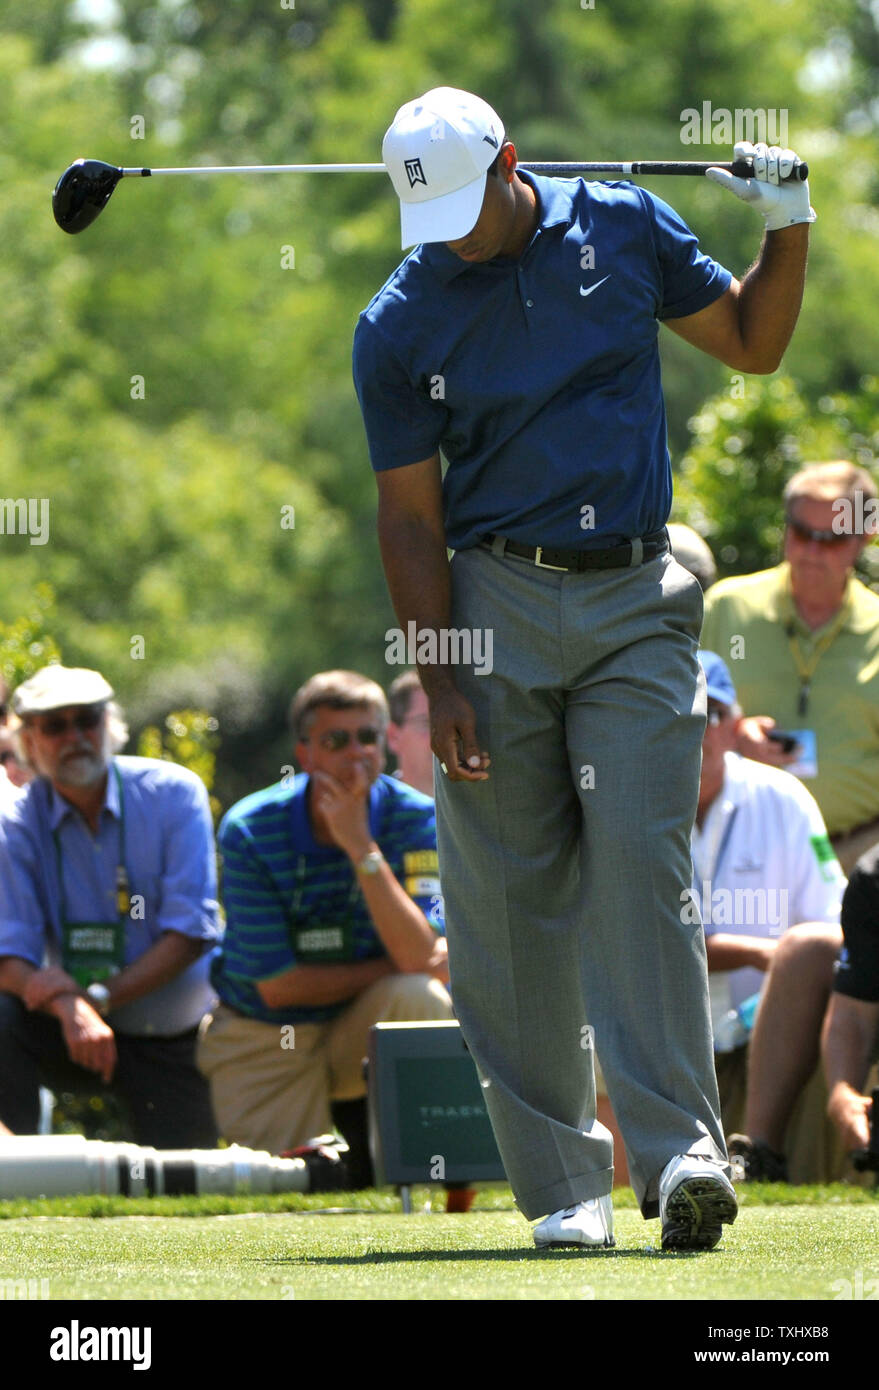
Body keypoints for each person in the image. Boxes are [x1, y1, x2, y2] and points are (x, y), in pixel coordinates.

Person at [353, 86, 814, 1249]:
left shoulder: (624, 225)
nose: (453, 235)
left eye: (468, 206)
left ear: (513, 161)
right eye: (434, 219)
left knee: (641, 870)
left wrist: (789, 220)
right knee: (506, 902)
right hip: (491, 597)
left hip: (636, 595)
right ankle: (566, 1186)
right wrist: (443, 676)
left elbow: (753, 347)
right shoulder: (399, 320)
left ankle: (681, 1160)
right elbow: (409, 519)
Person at [197, 670, 452, 1185]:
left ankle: (436, 1181)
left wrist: (361, 848)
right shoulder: (251, 829)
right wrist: (395, 964)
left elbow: (420, 967)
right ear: (305, 752)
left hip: (363, 1020)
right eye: (336, 740)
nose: (355, 752)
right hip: (266, 1032)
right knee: (277, 1190)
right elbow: (278, 987)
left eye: (368, 737)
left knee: (420, 997)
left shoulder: (420, 819)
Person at [0, 665, 220, 1147]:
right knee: (3, 1015)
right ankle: (11, 1172)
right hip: (67, 1030)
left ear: (110, 725)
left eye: (88, 720)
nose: (75, 736)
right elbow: (8, 956)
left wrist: (94, 999)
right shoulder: (13, 821)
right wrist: (66, 1004)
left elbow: (190, 934)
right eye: (56, 725)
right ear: (28, 741)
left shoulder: (175, 794)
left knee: (182, 1186)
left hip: (170, 1033)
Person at [692, 652, 845, 1180]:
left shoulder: (785, 798)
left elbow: (833, 931)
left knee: (829, 990)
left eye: (709, 714)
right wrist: (763, 952)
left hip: (767, 1041)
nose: (696, 729)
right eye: (678, 713)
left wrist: (782, 964)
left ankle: (766, 1157)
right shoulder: (624, 803)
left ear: (736, 726)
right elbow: (646, 946)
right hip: (666, 1051)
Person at [701, 461, 879, 874]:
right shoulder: (727, 608)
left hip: (861, 853)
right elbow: (673, 718)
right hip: (739, 853)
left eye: (832, 539)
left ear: (865, 538)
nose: (812, 551)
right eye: (801, 533)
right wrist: (731, 731)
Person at [822, 846, 879, 1154]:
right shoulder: (872, 876)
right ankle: (761, 1155)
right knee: (802, 950)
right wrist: (842, 1093)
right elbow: (855, 1010)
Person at [387, 670, 434, 795]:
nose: (443, 735)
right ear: (393, 736)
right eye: (427, 723)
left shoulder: (480, 809)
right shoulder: (371, 810)